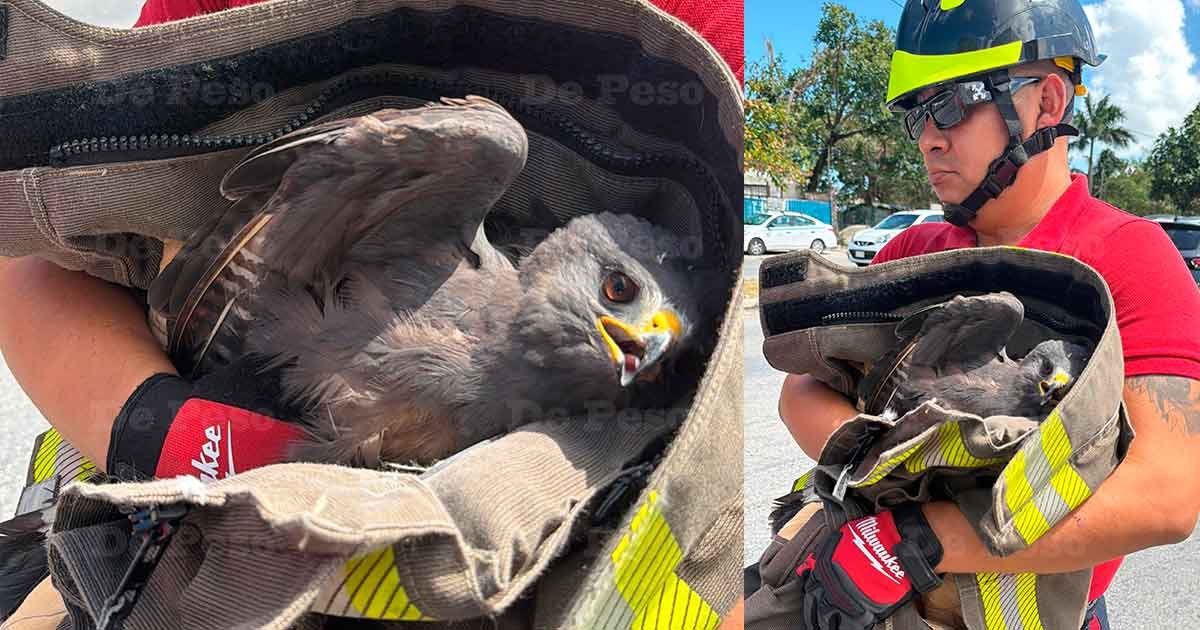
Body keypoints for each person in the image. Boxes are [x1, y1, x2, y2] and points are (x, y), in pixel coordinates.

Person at [0, 0, 745, 626]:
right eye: (621, 293)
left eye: (668, 346)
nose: (648, 342)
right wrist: (165, 432)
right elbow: (39, 251)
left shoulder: (722, 29)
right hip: (166, 520)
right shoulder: (457, 207)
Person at [775, 1, 1200, 629]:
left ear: (1047, 103)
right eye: (918, 112)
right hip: (876, 598)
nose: (928, 136)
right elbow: (801, 393)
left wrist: (921, 535)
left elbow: (1167, 494)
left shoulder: (1129, 258)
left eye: (951, 102)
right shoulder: (908, 254)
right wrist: (893, 502)